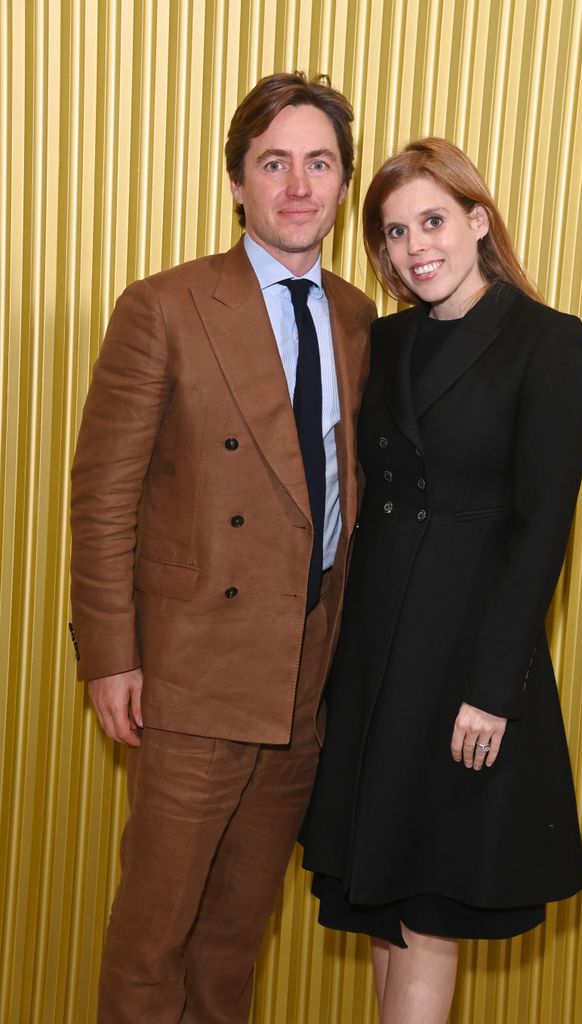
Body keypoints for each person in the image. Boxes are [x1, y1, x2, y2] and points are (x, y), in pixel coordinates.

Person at [69, 72, 375, 1024]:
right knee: (155, 932)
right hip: (192, 667)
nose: (297, 185)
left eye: (318, 163)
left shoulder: (361, 316)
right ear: (237, 180)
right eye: (273, 162)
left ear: (342, 183)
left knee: (240, 934)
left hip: (304, 672)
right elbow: (101, 495)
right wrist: (112, 656)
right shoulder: (164, 305)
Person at [301, 137, 582, 1024]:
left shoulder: (547, 340)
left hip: (466, 658)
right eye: (393, 233)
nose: (414, 247)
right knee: (383, 909)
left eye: (432, 221)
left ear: (477, 220)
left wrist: (491, 691)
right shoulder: (382, 342)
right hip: (377, 654)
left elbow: (544, 533)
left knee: (429, 910)